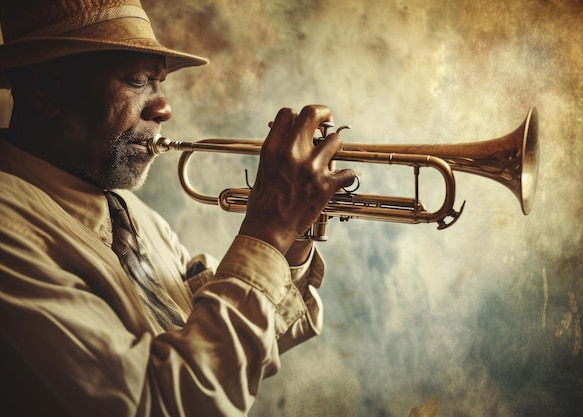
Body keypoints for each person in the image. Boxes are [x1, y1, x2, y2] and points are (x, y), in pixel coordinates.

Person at [0, 1, 355, 416]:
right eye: (137, 80)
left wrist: (290, 241)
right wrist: (269, 230)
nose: (164, 108)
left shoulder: (134, 216)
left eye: (160, 82)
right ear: (48, 89)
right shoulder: (11, 235)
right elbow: (160, 403)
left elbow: (229, 348)